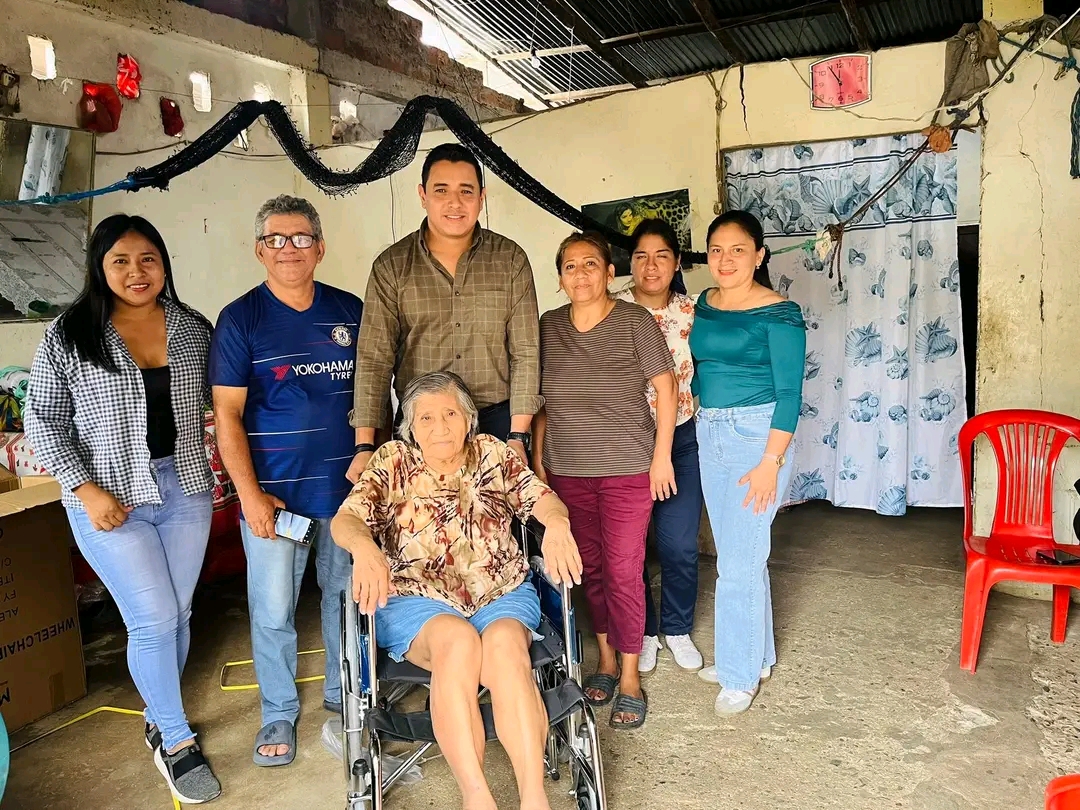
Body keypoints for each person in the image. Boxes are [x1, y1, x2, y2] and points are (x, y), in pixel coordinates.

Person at [24, 215, 221, 803]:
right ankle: (176, 742)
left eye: (148, 259)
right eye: (121, 261)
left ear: (164, 264)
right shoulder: (70, 334)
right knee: (153, 619)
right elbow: (42, 421)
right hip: (109, 498)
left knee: (178, 613)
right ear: (100, 267)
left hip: (186, 487)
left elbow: (226, 398)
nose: (137, 272)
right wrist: (85, 488)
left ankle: (160, 716)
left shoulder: (192, 328)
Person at [332, 371, 582, 810]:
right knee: (458, 642)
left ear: (468, 419)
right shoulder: (392, 460)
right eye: (426, 418)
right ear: (411, 427)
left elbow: (541, 497)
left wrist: (557, 523)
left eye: (450, 414)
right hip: (415, 597)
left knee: (505, 649)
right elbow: (346, 519)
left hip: (499, 590)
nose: (440, 427)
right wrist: (364, 548)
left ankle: (534, 797)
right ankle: (477, 797)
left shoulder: (492, 453)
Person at [210, 195, 361, 766]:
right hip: (274, 498)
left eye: (300, 238)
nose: (288, 249)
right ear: (259, 251)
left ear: (320, 248)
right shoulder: (240, 319)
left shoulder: (350, 311)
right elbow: (227, 414)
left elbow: (375, 397)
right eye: (275, 239)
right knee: (273, 611)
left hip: (345, 493)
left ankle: (343, 691)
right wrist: (249, 496)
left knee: (345, 599)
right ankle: (278, 710)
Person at [533, 231, 677, 729]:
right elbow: (540, 403)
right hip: (567, 471)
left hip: (627, 468)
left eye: (590, 264)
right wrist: (539, 464)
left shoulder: (635, 321)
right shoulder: (548, 326)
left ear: (610, 273)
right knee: (588, 570)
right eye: (570, 266)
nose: (580, 274)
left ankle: (631, 677)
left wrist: (662, 458)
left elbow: (666, 388)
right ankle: (607, 661)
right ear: (560, 278)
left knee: (623, 571)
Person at [351, 142, 541, 465]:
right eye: (441, 190)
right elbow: (374, 359)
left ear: (481, 198)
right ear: (423, 195)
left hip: (497, 424)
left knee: (495, 502)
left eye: (466, 191)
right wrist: (364, 447)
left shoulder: (510, 260)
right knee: (423, 502)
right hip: (421, 425)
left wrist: (518, 436)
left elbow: (525, 352)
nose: (455, 202)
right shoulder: (392, 266)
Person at [690, 210, 807, 715]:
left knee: (738, 563)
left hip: (758, 436)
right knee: (741, 553)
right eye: (716, 250)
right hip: (710, 429)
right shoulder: (705, 302)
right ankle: (756, 656)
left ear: (759, 255)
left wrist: (770, 462)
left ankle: (738, 675)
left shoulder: (780, 313)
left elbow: (790, 396)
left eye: (737, 249)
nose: (725, 259)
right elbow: (700, 365)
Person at [615, 219, 704, 674]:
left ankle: (677, 627)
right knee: (630, 549)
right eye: (641, 256)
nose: (651, 266)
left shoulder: (693, 313)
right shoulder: (612, 310)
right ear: (629, 263)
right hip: (626, 442)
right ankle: (645, 631)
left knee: (679, 543)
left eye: (661, 256)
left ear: (678, 262)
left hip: (681, 440)